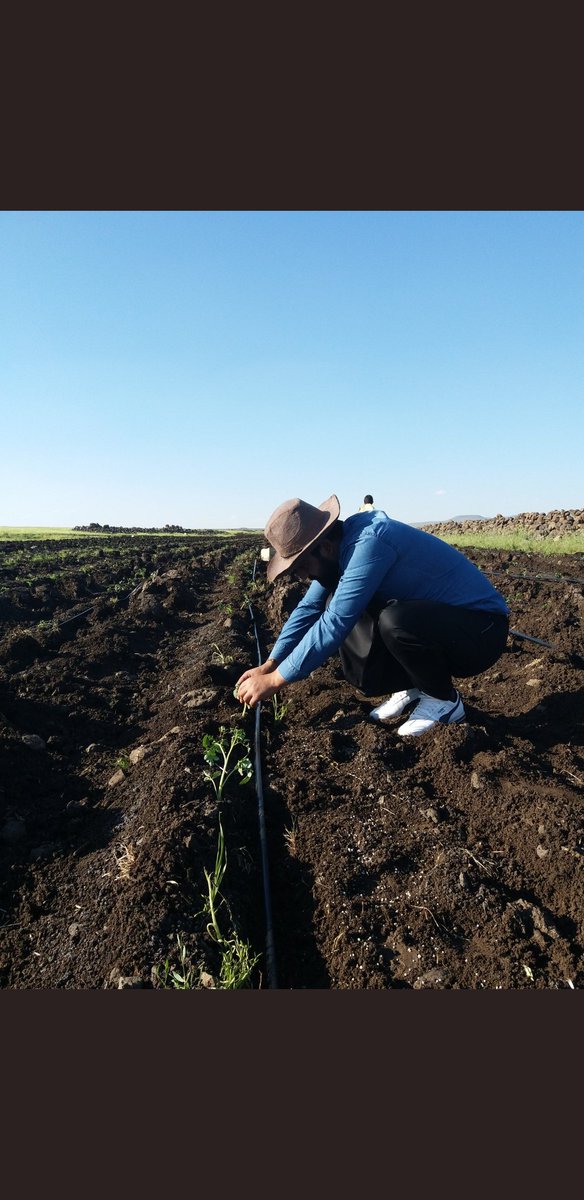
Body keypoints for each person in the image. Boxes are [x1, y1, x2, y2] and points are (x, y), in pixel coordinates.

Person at [235, 494, 509, 736]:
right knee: (346, 601)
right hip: (443, 625)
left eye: (301, 566)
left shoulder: (369, 542)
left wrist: (275, 681)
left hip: (482, 631)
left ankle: (444, 700)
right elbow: (308, 610)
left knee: (392, 620)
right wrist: (271, 663)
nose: (303, 576)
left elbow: (335, 623)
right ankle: (413, 686)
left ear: (325, 547)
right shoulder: (338, 552)